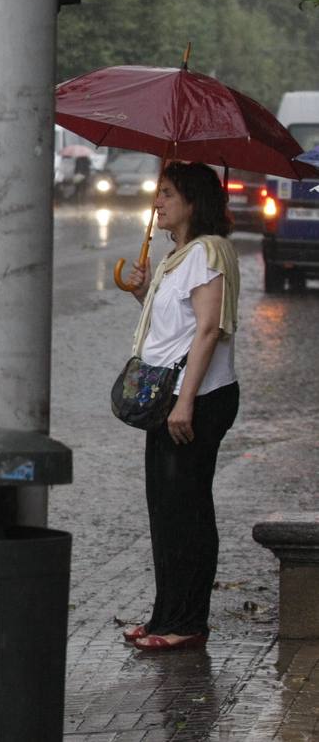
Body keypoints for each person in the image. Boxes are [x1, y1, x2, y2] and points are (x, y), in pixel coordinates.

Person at [120, 161, 241, 652]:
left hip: (197, 398)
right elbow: (174, 330)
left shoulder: (209, 252)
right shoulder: (180, 255)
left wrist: (185, 402)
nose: (159, 203)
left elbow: (209, 330)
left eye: (167, 193)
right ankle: (165, 615)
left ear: (193, 201)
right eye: (159, 193)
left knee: (186, 510)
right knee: (165, 510)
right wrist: (142, 291)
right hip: (168, 398)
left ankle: (187, 621)